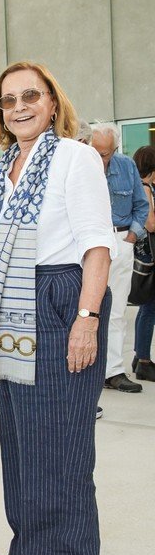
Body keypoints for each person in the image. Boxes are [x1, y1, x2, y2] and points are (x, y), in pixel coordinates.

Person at [0, 62, 115, 555]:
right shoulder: (7, 166)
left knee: (59, 440)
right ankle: (31, 545)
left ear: (53, 102)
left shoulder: (73, 157)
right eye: (8, 100)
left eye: (31, 96)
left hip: (57, 296)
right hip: (9, 304)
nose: (20, 106)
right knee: (20, 437)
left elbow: (98, 243)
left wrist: (86, 318)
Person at [91, 123, 149, 392]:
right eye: (96, 152)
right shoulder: (80, 164)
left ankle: (113, 371)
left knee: (115, 311)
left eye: (105, 154)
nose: (101, 159)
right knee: (86, 309)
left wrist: (132, 237)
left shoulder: (126, 166)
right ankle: (89, 371)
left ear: (115, 149)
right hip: (90, 244)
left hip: (120, 240)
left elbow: (141, 204)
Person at [131, 145, 155, 382]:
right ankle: (144, 362)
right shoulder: (145, 187)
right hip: (149, 256)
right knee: (150, 309)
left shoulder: (138, 186)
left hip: (144, 255)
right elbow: (151, 224)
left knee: (146, 308)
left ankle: (140, 357)